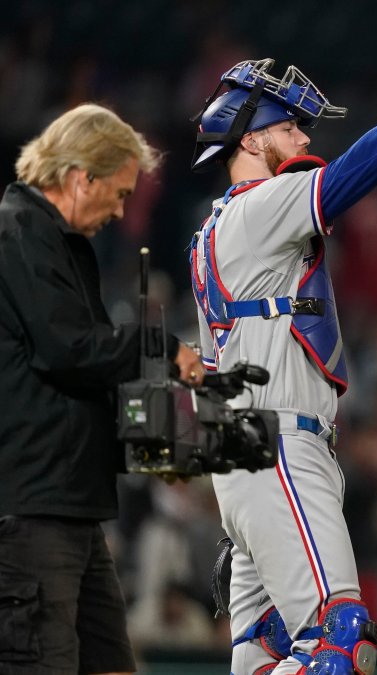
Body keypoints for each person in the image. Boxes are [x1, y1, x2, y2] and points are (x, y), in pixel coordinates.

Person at [186, 3, 377, 673]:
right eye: (285, 121)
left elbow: (207, 369)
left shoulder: (209, 234)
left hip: (246, 455)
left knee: (262, 660)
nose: (299, 130)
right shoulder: (262, 205)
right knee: (341, 639)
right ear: (250, 140)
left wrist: (244, 511)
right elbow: (359, 168)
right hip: (279, 443)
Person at [0, 103, 201, 674]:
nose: (120, 210)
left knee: (114, 666)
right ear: (78, 176)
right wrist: (157, 345)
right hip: (32, 513)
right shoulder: (17, 234)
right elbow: (68, 351)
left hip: (73, 509)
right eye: (117, 193)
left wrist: (148, 450)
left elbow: (81, 371)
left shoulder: (60, 244)